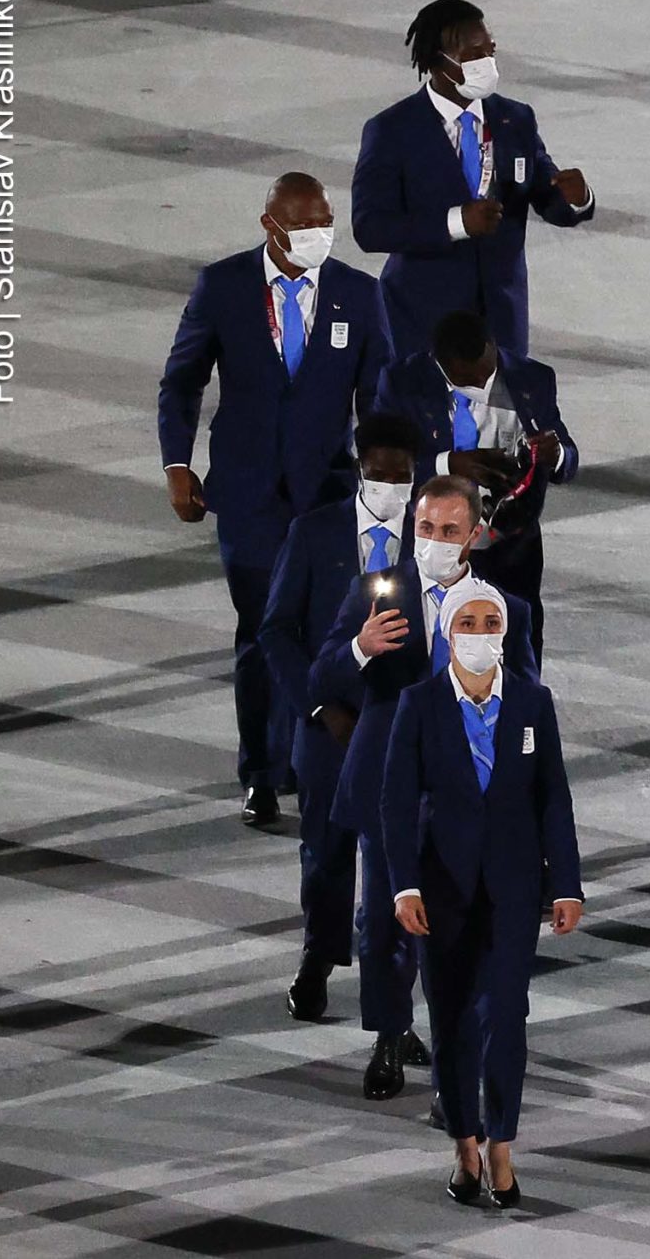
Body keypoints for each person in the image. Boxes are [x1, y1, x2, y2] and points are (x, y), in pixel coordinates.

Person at [158, 173, 392, 825]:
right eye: (305, 223)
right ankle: (260, 770)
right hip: (247, 494)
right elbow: (180, 383)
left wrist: (383, 478)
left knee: (325, 628)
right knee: (263, 629)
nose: (320, 233)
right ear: (271, 226)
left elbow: (375, 400)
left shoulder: (358, 295)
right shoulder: (223, 287)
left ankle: (312, 755)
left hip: (327, 497)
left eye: (326, 220)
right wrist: (177, 464)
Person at [310, 477, 537, 1101]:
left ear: (474, 535)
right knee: (385, 920)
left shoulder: (504, 609)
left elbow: (527, 703)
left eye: (448, 531)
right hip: (389, 786)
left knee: (457, 933)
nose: (433, 542)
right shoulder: (377, 594)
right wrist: (360, 647)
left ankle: (454, 1066)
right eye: (425, 529)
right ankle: (388, 1037)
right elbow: (318, 675)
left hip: (469, 798)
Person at [382, 577, 582, 1209]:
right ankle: (464, 1143)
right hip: (440, 891)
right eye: (465, 624)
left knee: (505, 1016)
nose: (477, 634)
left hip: (514, 888)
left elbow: (553, 796)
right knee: (450, 1021)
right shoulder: (418, 705)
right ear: (447, 635)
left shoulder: (532, 702)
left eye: (487, 623)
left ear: (505, 633)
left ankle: (502, 1145)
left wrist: (568, 882)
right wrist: (403, 885)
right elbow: (393, 802)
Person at [260, 413, 420, 1022]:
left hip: (399, 730)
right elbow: (275, 632)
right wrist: (319, 705)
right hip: (326, 727)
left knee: (395, 866)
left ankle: (392, 1004)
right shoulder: (313, 533)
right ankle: (318, 958)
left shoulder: (427, 536)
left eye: (401, 476)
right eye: (379, 475)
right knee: (325, 853)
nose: (390, 487)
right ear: (360, 470)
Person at [351, 0, 594, 363]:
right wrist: (456, 223)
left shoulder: (516, 119)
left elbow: (548, 196)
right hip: (423, 322)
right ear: (437, 61)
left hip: (502, 321)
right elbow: (369, 228)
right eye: (472, 54)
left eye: (489, 50)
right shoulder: (392, 130)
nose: (487, 63)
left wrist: (577, 199)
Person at [375, 309, 577, 662]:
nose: (485, 384)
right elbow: (381, 463)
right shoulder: (403, 383)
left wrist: (557, 453)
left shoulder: (533, 379)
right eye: (470, 380)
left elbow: (568, 461)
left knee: (517, 651)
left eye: (489, 370)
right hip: (434, 548)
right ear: (441, 364)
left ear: (492, 345)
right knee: (429, 650)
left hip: (512, 551)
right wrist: (449, 464)